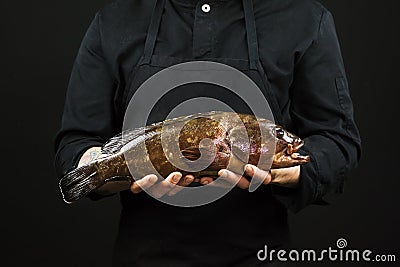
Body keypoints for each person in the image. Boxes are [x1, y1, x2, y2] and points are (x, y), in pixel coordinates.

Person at [54, 0, 361, 266]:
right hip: (145, 258)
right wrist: (107, 173)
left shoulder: (305, 18)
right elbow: (76, 143)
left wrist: (284, 173)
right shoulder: (113, 20)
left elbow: (337, 141)